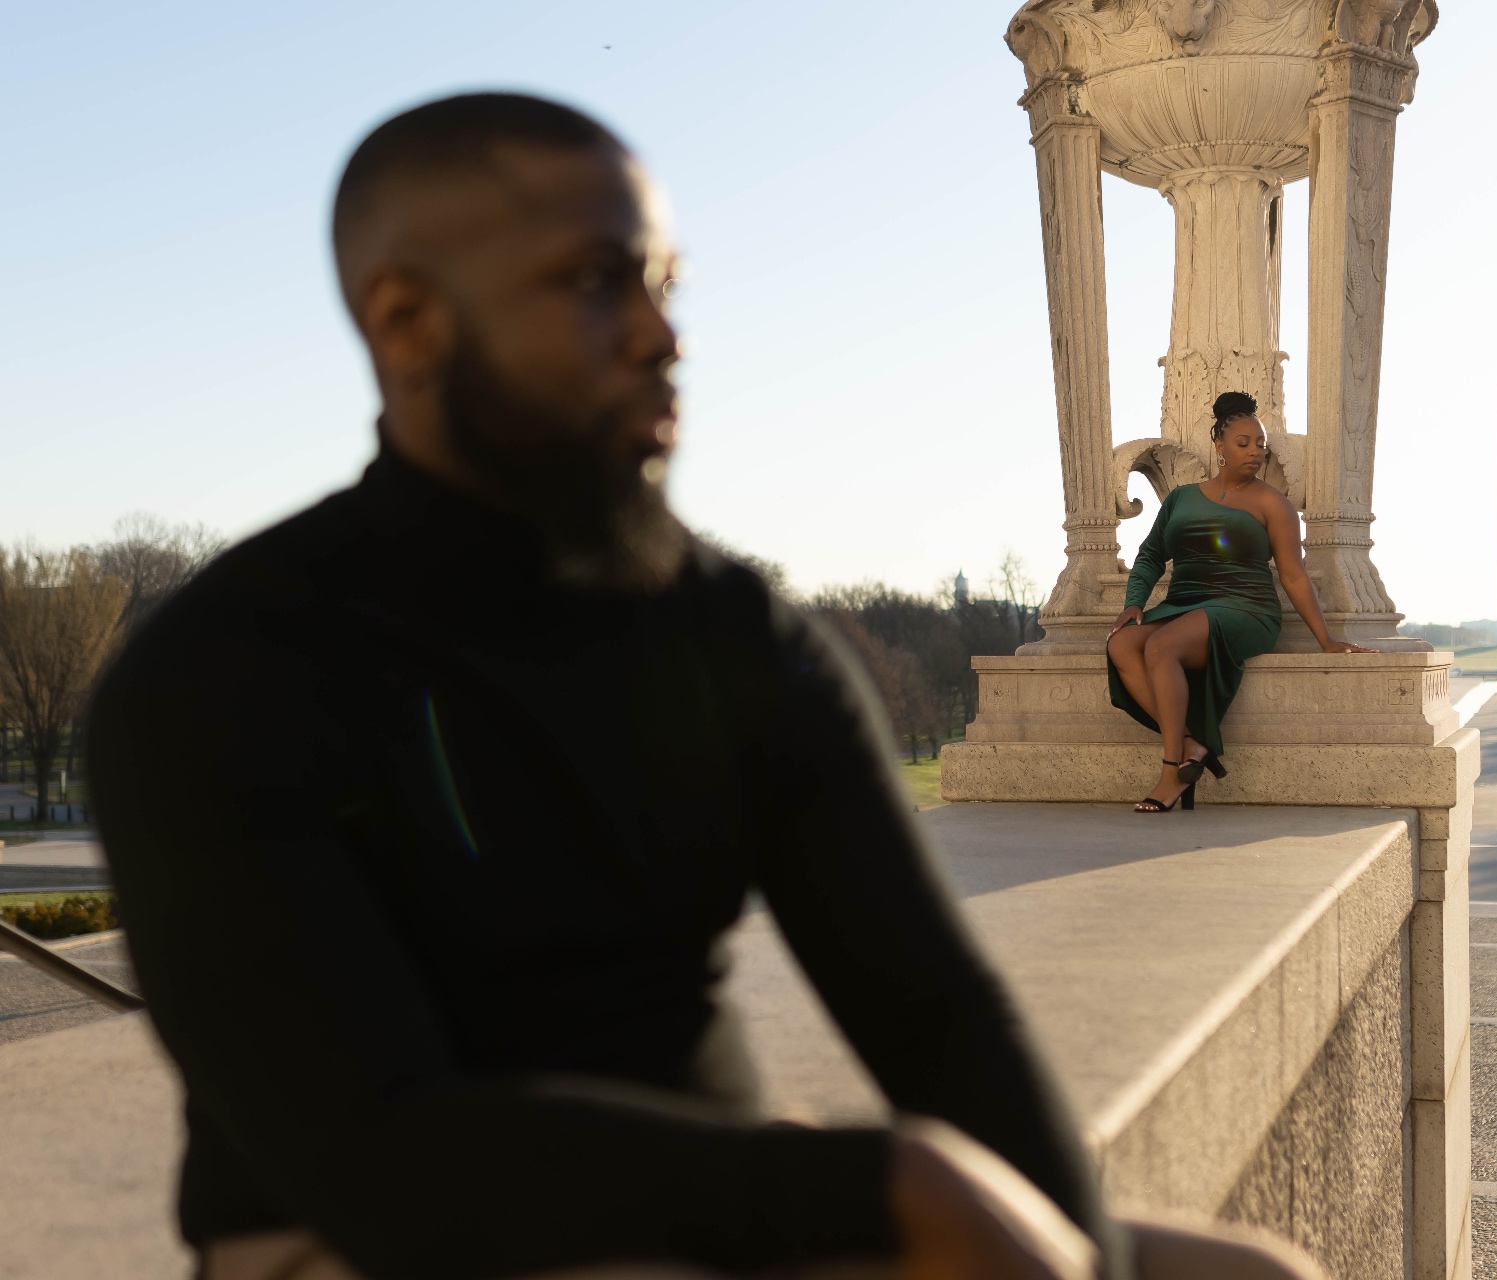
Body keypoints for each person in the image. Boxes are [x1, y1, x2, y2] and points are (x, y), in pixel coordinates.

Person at [87, 94, 1321, 1280]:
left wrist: (1076, 1260)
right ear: (406, 321)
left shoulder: (734, 632)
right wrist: (875, 1188)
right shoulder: (224, 672)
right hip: (361, 1237)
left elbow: (938, 1015)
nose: (662, 334)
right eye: (594, 281)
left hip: (725, 1206)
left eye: (664, 284)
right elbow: (382, 1154)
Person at [1106, 392, 1375, 812]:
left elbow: (1293, 576)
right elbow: (1151, 555)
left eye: (1261, 444)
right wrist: (1134, 601)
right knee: (1121, 644)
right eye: (1244, 443)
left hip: (1245, 607)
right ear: (1219, 446)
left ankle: (1170, 770)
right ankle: (1194, 744)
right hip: (1186, 604)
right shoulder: (1180, 499)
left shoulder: (1273, 503)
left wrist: (1326, 640)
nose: (1255, 452)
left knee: (1160, 647)